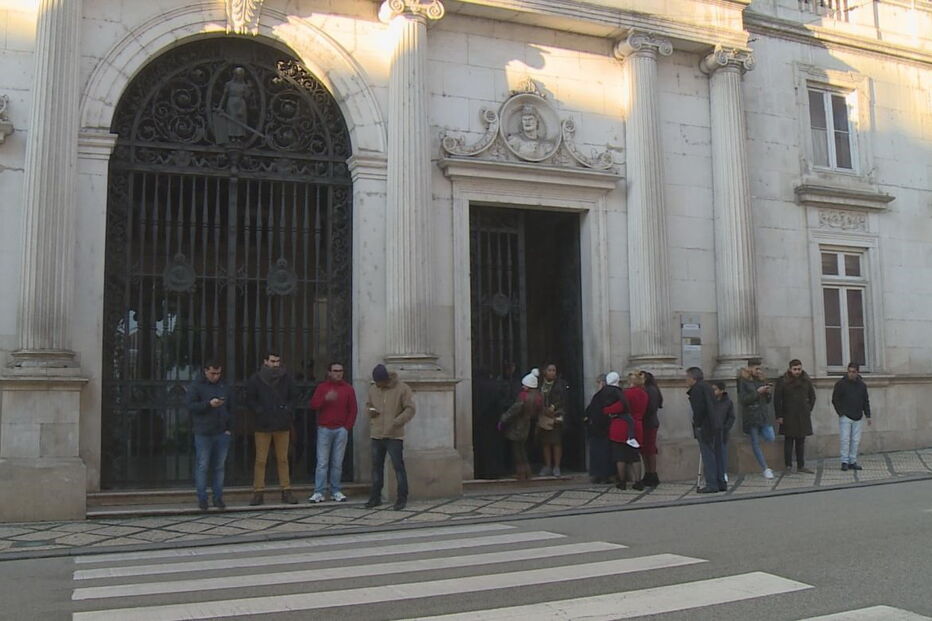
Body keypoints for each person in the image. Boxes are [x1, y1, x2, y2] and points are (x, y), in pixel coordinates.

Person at [246, 351, 302, 506]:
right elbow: (250, 398)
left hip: (282, 425)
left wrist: (287, 410)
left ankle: (286, 491)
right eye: (272, 361)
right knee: (260, 460)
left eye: (277, 361)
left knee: (283, 459)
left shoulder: (286, 378)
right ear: (265, 361)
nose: (275, 364)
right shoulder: (256, 379)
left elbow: (294, 396)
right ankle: (258, 492)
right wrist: (260, 411)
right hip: (262, 425)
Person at [365, 364, 416, 510]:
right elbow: (368, 405)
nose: (377, 385)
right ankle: (375, 497)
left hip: (394, 434)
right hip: (377, 433)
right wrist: (370, 411)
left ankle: (401, 498)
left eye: (379, 382)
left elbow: (410, 409)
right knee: (376, 467)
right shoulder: (373, 389)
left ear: (385, 379)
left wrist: (397, 421)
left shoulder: (402, 388)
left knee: (398, 467)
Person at [186, 360, 234, 511]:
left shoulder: (224, 386)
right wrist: (208, 404)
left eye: (218, 373)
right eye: (213, 373)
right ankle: (202, 499)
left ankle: (218, 498)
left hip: (222, 432)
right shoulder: (197, 386)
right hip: (203, 432)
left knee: (219, 467)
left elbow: (232, 407)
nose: (216, 376)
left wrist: (229, 428)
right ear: (206, 371)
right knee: (203, 465)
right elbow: (190, 405)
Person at [307, 362, 357, 503]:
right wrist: (325, 399)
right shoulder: (322, 388)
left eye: (340, 370)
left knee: (337, 463)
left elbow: (353, 409)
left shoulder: (348, 389)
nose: (338, 373)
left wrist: (347, 427)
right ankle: (319, 492)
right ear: (329, 372)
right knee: (322, 462)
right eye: (335, 371)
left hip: (341, 429)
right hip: (324, 429)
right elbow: (313, 405)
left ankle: (336, 490)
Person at [773, 359, 816, 474]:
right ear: (790, 369)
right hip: (788, 415)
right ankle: (788, 465)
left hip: (803, 415)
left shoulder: (806, 380)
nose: (797, 371)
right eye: (795, 369)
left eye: (799, 369)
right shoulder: (783, 381)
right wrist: (779, 415)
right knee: (789, 441)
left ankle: (801, 465)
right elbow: (777, 399)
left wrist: (808, 409)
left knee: (801, 441)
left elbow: (812, 396)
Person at [687, 367, 726, 493]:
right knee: (717, 454)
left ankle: (712, 484)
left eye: (687, 377)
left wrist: (697, 425)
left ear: (693, 378)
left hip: (705, 425)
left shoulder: (697, 389)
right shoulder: (708, 387)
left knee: (708, 455)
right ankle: (721, 482)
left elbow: (699, 410)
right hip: (716, 424)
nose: (686, 380)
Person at [499, 369, 543, 481]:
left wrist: (503, 418)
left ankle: (521, 473)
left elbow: (515, 409)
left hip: (519, 424)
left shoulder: (524, 397)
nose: (523, 387)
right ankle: (527, 471)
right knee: (523, 449)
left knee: (517, 450)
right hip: (528, 424)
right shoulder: (537, 396)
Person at [737, 361, 776, 479]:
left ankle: (765, 468)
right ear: (749, 368)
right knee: (755, 443)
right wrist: (757, 392)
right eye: (756, 368)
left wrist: (768, 393)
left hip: (763, 415)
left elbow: (768, 401)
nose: (758, 371)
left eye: (760, 368)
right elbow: (743, 400)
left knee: (771, 437)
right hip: (751, 415)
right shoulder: (743, 381)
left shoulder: (761, 380)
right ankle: (765, 468)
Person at [832, 362, 872, 471]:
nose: (851, 374)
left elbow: (865, 401)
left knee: (855, 440)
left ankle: (852, 461)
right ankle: (844, 461)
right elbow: (835, 399)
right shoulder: (841, 384)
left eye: (853, 372)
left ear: (857, 372)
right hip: (845, 416)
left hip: (858, 415)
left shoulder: (862, 385)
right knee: (845, 439)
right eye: (849, 372)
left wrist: (868, 415)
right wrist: (841, 412)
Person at [584, 374, 618, 484]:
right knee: (603, 453)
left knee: (600, 453)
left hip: (599, 429)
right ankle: (603, 475)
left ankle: (601, 475)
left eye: (598, 382)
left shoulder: (600, 395)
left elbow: (593, 411)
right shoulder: (611, 394)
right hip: (603, 428)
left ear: (602, 383)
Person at [537, 363, 568, 477]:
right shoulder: (540, 384)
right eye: (549, 370)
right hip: (543, 415)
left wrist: (554, 407)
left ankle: (557, 466)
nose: (552, 372)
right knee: (545, 442)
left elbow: (564, 398)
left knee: (556, 442)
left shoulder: (560, 384)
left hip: (555, 415)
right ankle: (547, 465)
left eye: (554, 370)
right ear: (545, 371)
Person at [622, 372, 649, 490]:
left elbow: (622, 407)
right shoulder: (644, 394)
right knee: (636, 454)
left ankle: (625, 480)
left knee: (624, 454)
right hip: (639, 423)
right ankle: (638, 480)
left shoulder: (627, 393)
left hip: (629, 424)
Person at [639, 371, 663, 488]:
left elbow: (651, 407)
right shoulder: (647, 389)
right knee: (645, 450)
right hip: (646, 422)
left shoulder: (650, 390)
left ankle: (652, 474)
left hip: (649, 423)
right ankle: (648, 473)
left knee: (650, 449)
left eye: (641, 377)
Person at [711, 381, 737, 483]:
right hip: (712, 431)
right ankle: (714, 474)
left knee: (723, 453)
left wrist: (726, 427)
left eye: (715, 389)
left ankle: (723, 473)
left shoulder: (728, 402)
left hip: (722, 432)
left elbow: (731, 417)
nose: (713, 392)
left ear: (721, 390)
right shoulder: (710, 401)